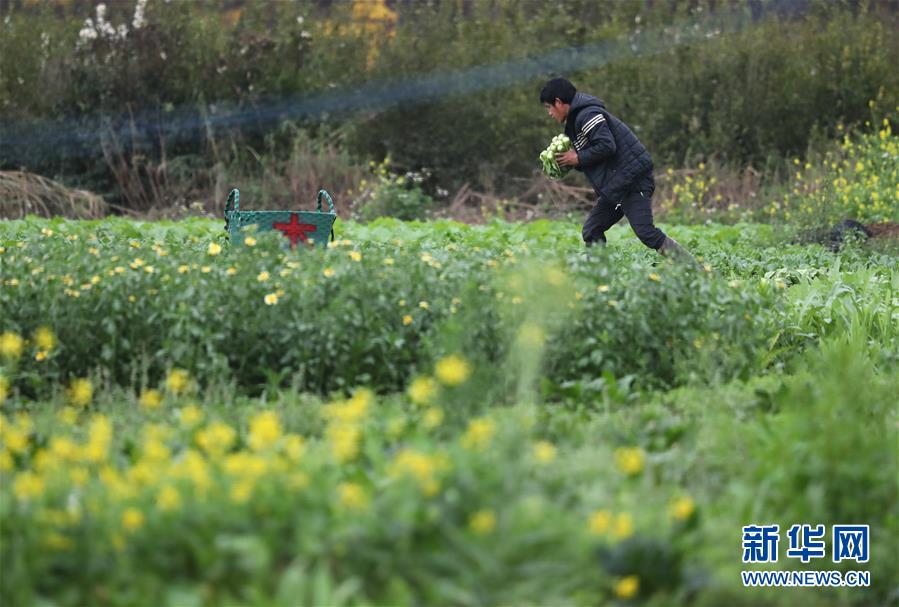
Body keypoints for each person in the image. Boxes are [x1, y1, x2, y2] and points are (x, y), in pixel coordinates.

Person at [540, 77, 696, 263]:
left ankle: (694, 269)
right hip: (617, 186)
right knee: (592, 230)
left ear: (559, 102)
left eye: (549, 107)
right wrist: (574, 162)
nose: (549, 113)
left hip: (632, 182)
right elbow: (597, 157)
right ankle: (599, 275)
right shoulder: (575, 121)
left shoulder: (587, 115)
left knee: (646, 232)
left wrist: (578, 157)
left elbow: (607, 145)